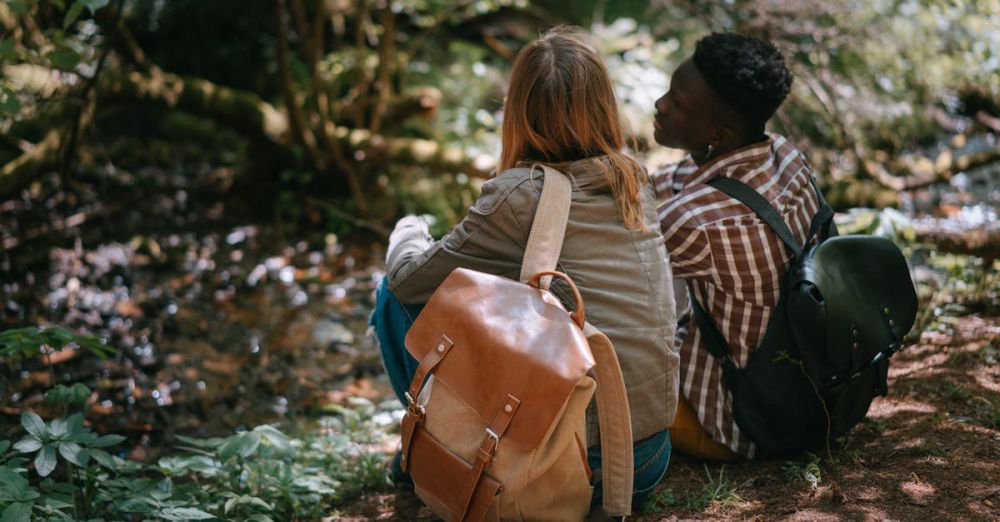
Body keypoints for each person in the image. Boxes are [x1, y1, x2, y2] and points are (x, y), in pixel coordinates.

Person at [370, 26, 678, 509]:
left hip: (567, 471)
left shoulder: (519, 193)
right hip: (646, 459)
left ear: (518, 113)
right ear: (604, 107)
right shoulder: (634, 181)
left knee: (392, 296)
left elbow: (410, 281)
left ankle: (427, 439)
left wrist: (409, 227)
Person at [650, 32, 822, 460]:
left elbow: (612, 272)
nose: (660, 105)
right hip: (807, 391)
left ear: (718, 132)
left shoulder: (692, 223)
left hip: (735, 422)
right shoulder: (784, 154)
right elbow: (682, 183)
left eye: (677, 101)